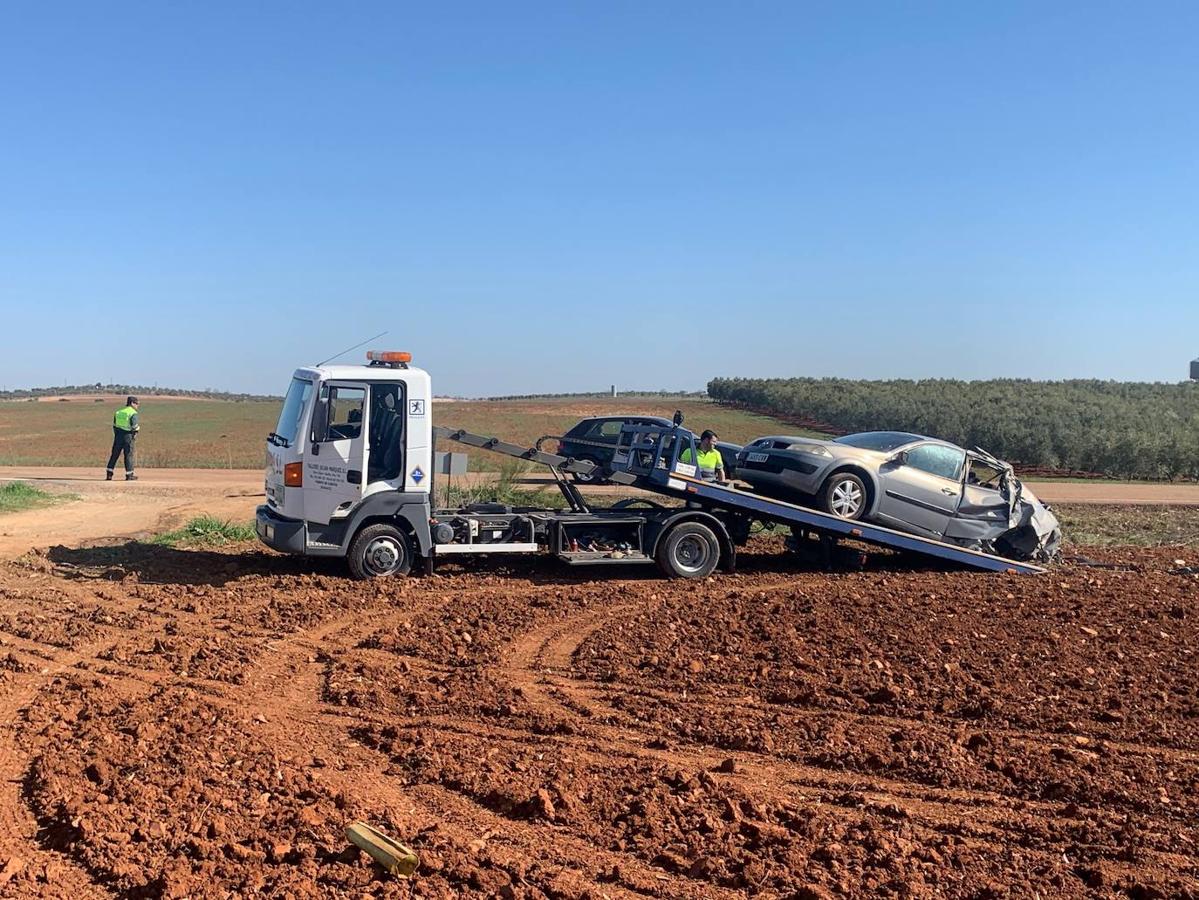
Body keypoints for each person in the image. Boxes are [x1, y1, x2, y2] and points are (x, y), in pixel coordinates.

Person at [105, 396, 140, 481]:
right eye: (137, 404)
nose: (137, 406)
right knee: (128, 455)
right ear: (132, 403)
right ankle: (129, 475)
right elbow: (134, 426)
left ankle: (109, 474)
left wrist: (117, 434)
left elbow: (114, 425)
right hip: (128, 436)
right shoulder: (133, 413)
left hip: (118, 435)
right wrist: (135, 433)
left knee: (114, 454)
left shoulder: (118, 412)